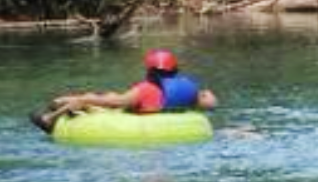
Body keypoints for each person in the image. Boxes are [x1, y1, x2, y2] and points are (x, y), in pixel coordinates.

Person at [36, 49, 217, 133]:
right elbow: (211, 104)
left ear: (150, 71)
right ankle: (62, 102)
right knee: (111, 96)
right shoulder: (187, 90)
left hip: (135, 114)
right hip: (164, 116)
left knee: (95, 99)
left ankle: (51, 114)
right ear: (175, 70)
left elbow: (92, 101)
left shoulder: (143, 91)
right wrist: (205, 93)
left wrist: (51, 119)